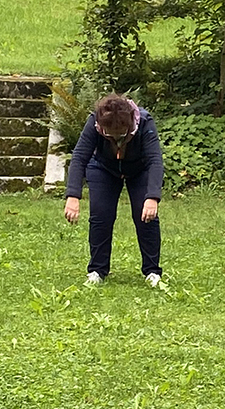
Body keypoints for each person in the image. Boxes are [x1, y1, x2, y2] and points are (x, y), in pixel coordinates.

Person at [64, 93, 165, 288]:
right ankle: (97, 270)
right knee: (101, 216)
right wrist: (73, 195)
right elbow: (79, 157)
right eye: (109, 133)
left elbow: (155, 160)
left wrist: (152, 197)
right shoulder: (94, 121)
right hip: (103, 168)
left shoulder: (145, 122)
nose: (115, 137)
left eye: (120, 133)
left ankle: (152, 271)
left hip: (139, 169)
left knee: (146, 216)